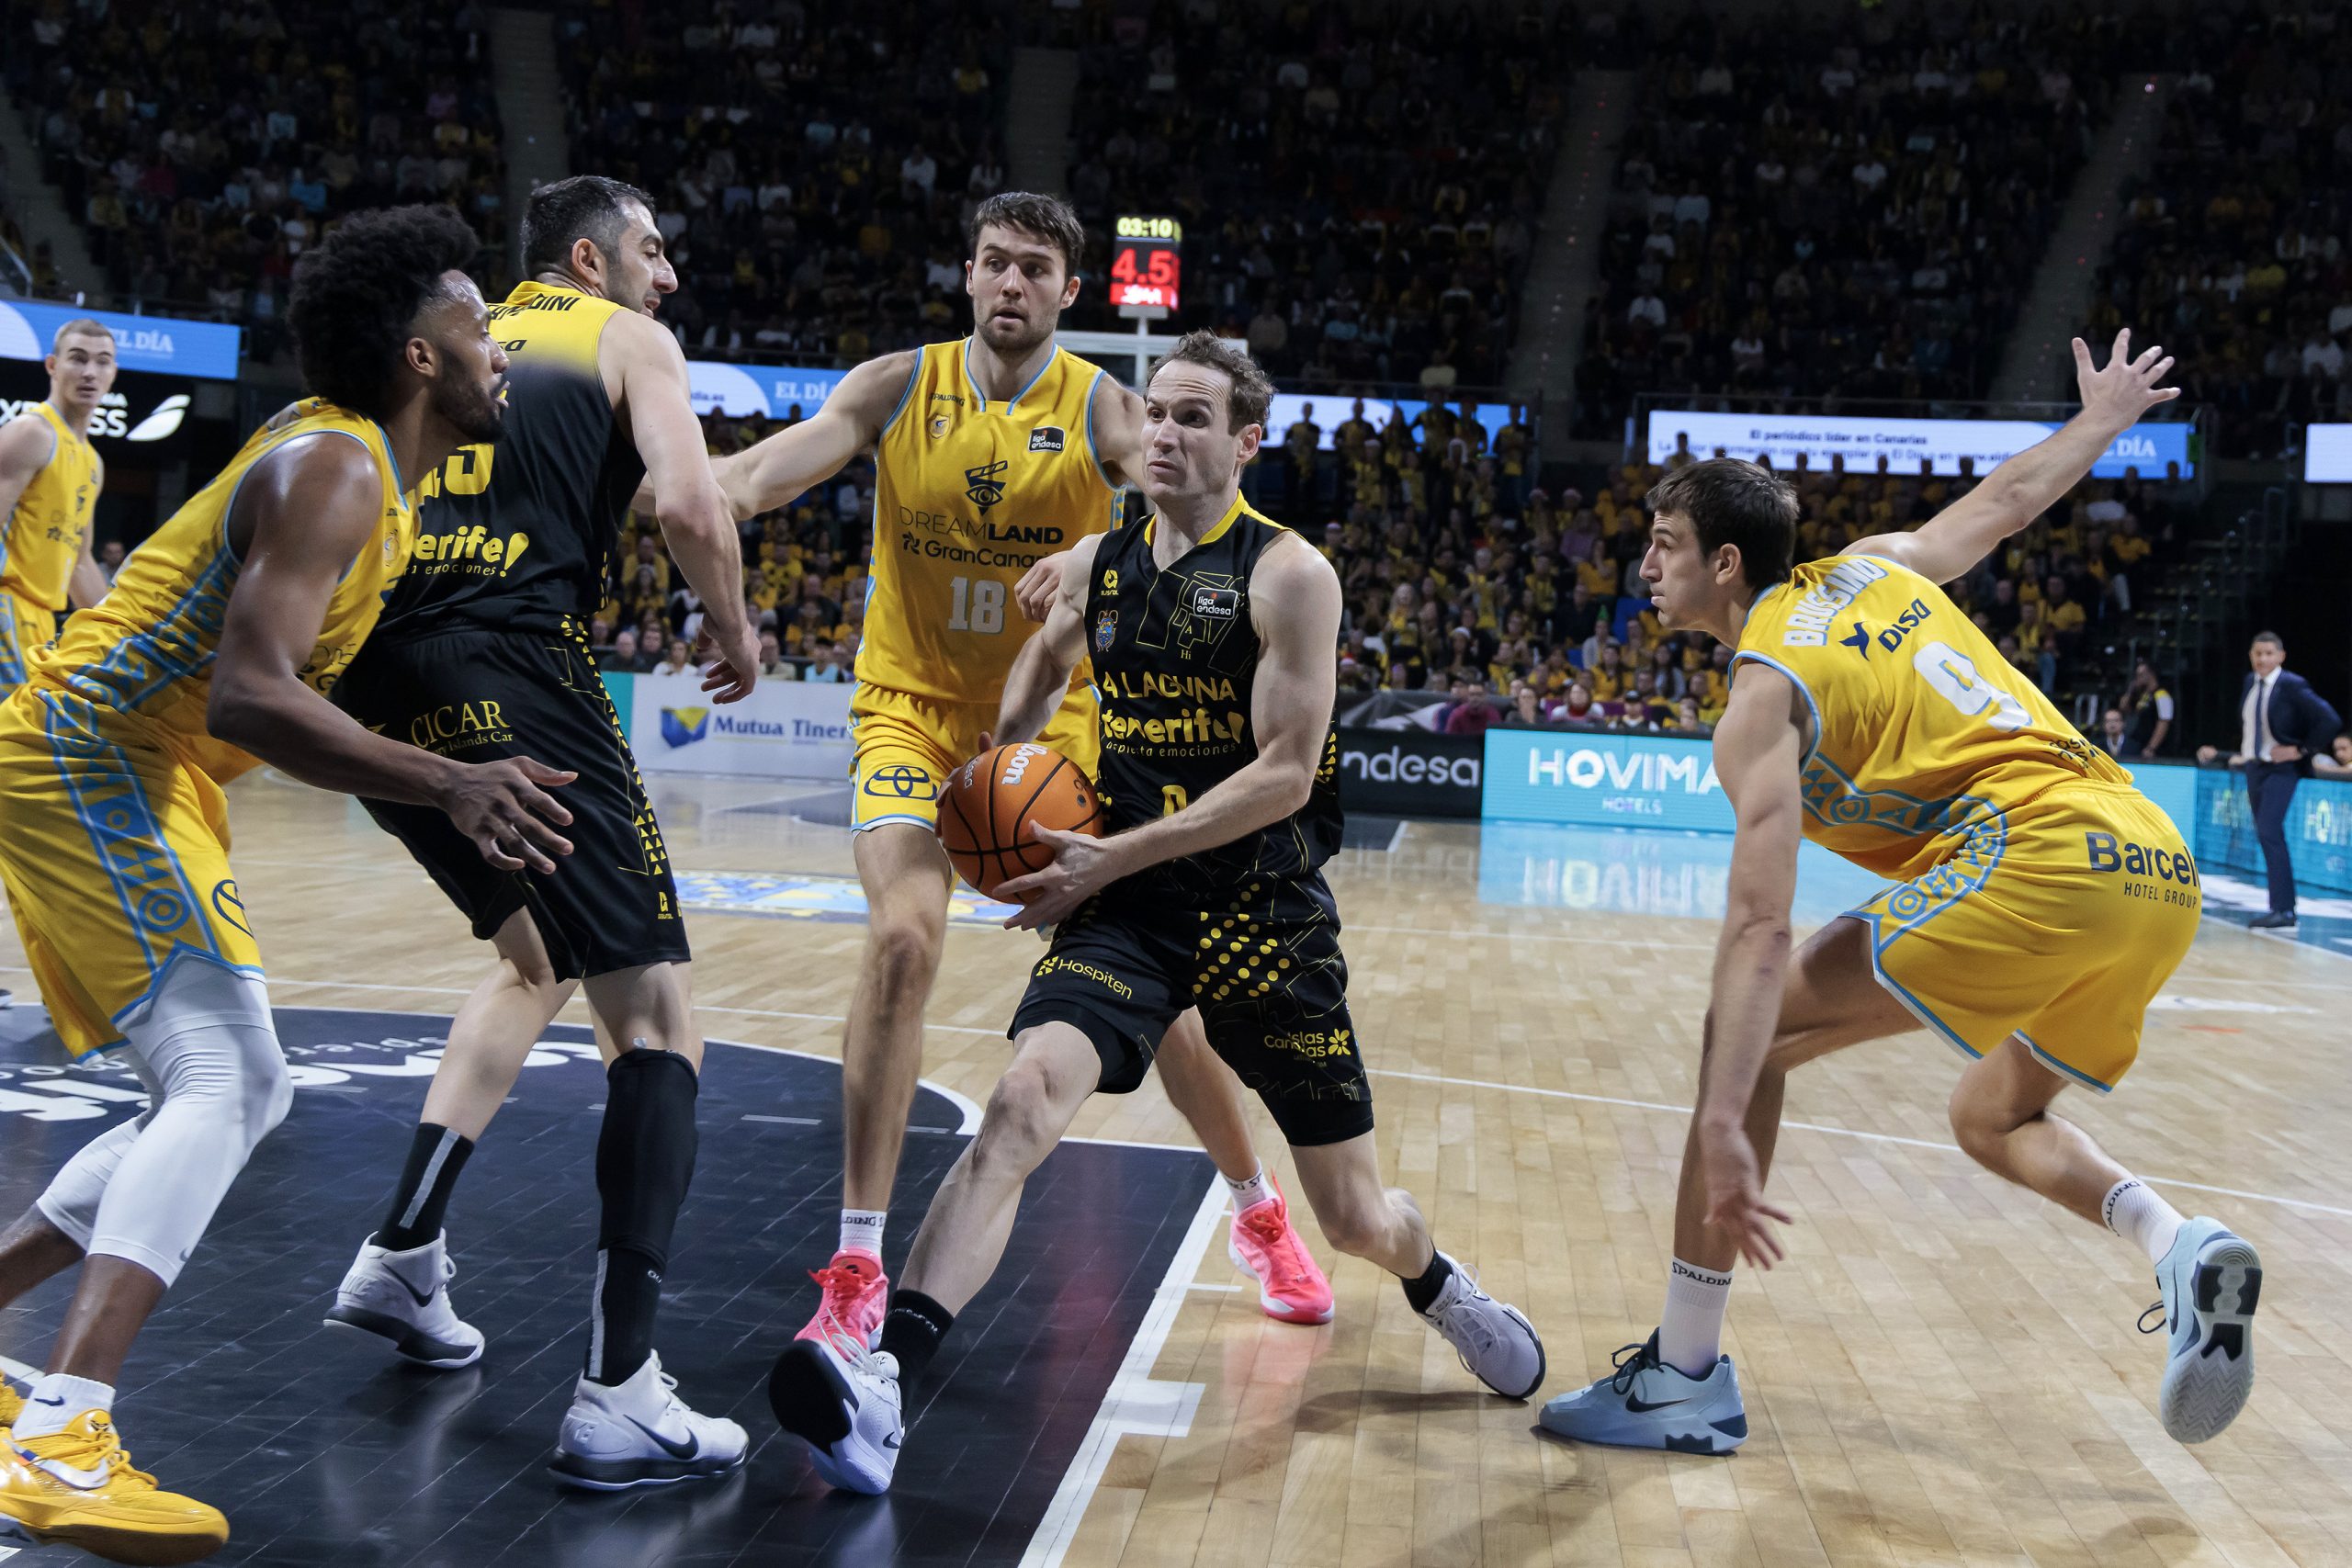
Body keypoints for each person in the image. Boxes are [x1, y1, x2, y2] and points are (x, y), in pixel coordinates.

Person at [766, 333, 1544, 1495]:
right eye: (1159, 416)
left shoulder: (1290, 577)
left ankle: (1435, 1281)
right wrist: (1008, 762)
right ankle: (883, 1383)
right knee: (1022, 1101)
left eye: (1194, 419)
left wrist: (1108, 851)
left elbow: (1284, 773)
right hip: (1126, 904)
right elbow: (1040, 658)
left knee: (1355, 1216)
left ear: (1246, 441)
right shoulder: (1100, 561)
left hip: (1262, 910)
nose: (1166, 436)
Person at [1542, 332, 2264, 1456]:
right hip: (2152, 863)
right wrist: (2103, 421)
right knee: (1991, 1114)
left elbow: (1759, 926)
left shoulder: (1762, 697)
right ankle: (2176, 1243)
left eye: (1665, 544)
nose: (1645, 564)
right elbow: (2010, 499)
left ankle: (1682, 1372)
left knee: (1754, 1031)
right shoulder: (1876, 563)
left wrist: (1725, 1117)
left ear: (1726, 565)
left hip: (2039, 849)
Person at [0, 206, 567, 1562]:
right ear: (420, 353)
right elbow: (255, 694)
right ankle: (63, 1432)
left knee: (195, 1093)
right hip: (94, 754)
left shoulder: (374, 472)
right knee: (233, 1080)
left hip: (149, 774)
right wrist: (449, 786)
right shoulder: (337, 468)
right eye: (478, 323)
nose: (499, 349)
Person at [695, 193, 1326, 1352]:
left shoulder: (1102, 405)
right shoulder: (898, 385)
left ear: (1066, 292)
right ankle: (856, 1259)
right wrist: (672, 508)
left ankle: (1258, 1209)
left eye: (1033, 270)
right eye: (993, 264)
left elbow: (1193, 497)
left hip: (1059, 738)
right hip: (910, 712)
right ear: (968, 273)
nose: (1009, 286)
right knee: (901, 942)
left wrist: (1100, 545)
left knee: (1157, 1008)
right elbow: (748, 482)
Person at [318, 177, 760, 1491]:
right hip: (515, 656)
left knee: (534, 954)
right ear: (589, 255)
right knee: (662, 1020)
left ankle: (402, 1252)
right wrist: (733, 628)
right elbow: (690, 507)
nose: (668, 278)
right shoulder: (623, 339)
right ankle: (622, 1389)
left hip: (374, 670)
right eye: (654, 251)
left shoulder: (462, 336)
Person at [0, 318, 117, 1011]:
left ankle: (67, 973)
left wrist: (126, 635)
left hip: (43, 628)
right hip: (7, 617)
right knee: (41, 792)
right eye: (77, 358)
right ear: (51, 365)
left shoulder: (92, 461)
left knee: (30, 801)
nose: (90, 371)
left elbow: (78, 567)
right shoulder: (31, 434)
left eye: (102, 361)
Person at [2196, 633, 2343, 930]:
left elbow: (2330, 720)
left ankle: (2285, 910)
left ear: (2281, 656)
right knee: (2266, 834)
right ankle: (2280, 907)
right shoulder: (2250, 682)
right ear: (2251, 655)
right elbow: (2253, 727)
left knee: (2270, 829)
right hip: (2255, 767)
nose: (2263, 659)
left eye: (2268, 654)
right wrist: (2244, 755)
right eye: (2258, 653)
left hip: (2282, 769)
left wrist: (2300, 750)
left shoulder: (2292, 685)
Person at [2120, 659, 2173, 759]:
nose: (2137, 678)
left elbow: (2164, 723)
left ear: (2151, 674)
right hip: (2136, 744)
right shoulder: (2140, 695)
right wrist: (2130, 690)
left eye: (2140, 675)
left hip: (2152, 748)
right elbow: (2123, 708)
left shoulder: (2162, 695)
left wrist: (2151, 747)